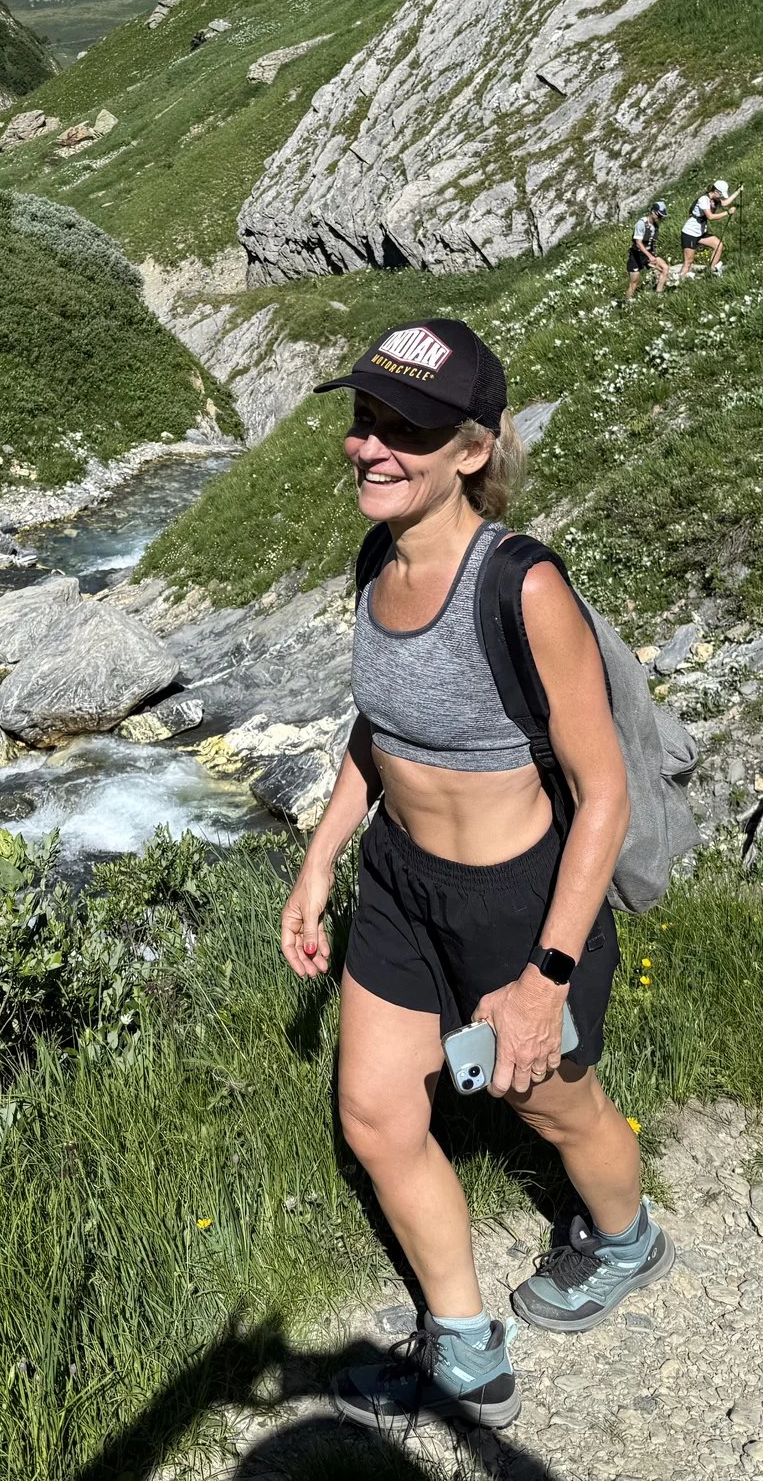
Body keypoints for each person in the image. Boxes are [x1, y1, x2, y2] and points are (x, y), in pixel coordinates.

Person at [282, 319, 668, 1433]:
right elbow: (381, 732)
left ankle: (627, 1240)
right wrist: (321, 864)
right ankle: (460, 1346)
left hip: (519, 902)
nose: (370, 447)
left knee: (552, 1106)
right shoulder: (373, 559)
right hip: (402, 886)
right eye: (364, 421)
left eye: (406, 428)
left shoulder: (524, 588)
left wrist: (545, 974)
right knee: (374, 1117)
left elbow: (601, 792)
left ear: (472, 451)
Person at [676, 180, 733, 283]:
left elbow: (725, 202)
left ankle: (711, 271)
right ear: (716, 191)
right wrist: (727, 213)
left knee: (718, 245)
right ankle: (679, 282)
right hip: (690, 233)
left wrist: (738, 191)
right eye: (721, 195)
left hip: (700, 233)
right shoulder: (703, 199)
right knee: (688, 262)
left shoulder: (713, 200)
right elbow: (710, 217)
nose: (721, 198)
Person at [623, 200, 672, 301]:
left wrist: (652, 254)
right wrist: (649, 256)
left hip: (648, 254)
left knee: (665, 268)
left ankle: (658, 294)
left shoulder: (655, 226)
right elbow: (638, 242)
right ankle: (627, 303)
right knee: (634, 283)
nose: (660, 218)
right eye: (659, 215)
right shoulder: (641, 224)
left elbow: (652, 242)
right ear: (653, 212)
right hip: (636, 256)